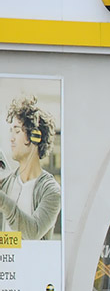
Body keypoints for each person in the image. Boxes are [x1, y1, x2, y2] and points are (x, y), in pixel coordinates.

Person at [0, 95, 62, 239]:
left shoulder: (51, 190)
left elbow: (33, 232)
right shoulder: (6, 183)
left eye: (17, 131)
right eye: (11, 132)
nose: (12, 138)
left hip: (32, 262)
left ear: (35, 136)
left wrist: (2, 200)